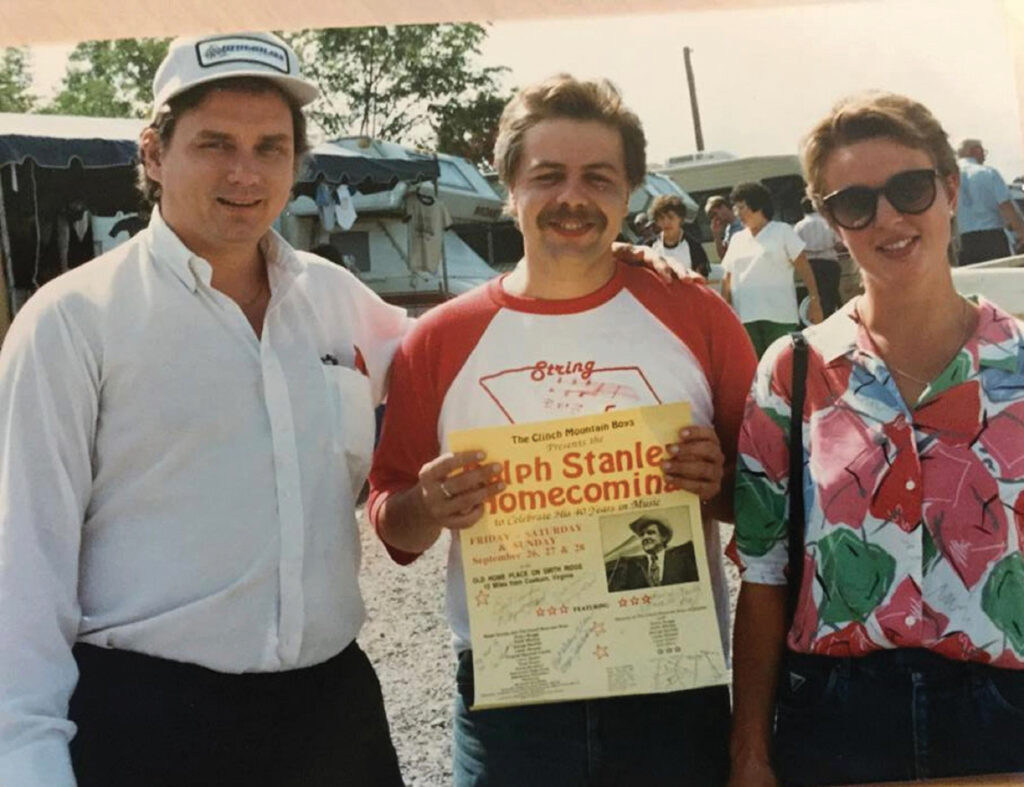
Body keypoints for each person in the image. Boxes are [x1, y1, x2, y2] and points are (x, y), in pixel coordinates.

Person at [0, 32, 410, 787]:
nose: (245, 173)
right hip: (152, 725)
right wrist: (28, 761)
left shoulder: (336, 302)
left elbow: (470, 362)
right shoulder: (71, 324)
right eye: (215, 143)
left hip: (333, 715)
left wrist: (610, 264)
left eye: (271, 147)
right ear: (154, 153)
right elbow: (23, 569)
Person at [369, 74, 758, 787]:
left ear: (631, 191)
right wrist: (427, 505)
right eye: (548, 175)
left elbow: (765, 504)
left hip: (670, 688)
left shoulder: (698, 316)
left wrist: (719, 485)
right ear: (509, 186)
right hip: (512, 700)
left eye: (598, 177)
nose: (572, 198)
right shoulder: (438, 340)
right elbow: (394, 525)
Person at [729, 91, 1024, 787]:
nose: (888, 217)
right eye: (856, 202)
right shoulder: (793, 372)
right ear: (831, 221)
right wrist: (749, 753)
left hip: (1004, 716)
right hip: (837, 721)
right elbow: (766, 576)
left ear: (951, 189)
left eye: (910, 188)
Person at [720, 181, 823, 357]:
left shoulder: (782, 231)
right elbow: (727, 279)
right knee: (755, 369)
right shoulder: (736, 239)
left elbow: (804, 268)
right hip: (745, 317)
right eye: (735, 209)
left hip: (779, 316)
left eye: (742, 208)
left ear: (758, 206)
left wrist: (815, 301)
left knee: (781, 365)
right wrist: (726, 312)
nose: (738, 214)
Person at [956, 137, 1024, 265]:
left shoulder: (948, 177)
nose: (985, 157)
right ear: (975, 151)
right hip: (992, 238)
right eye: (983, 152)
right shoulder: (988, 173)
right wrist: (1021, 233)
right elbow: (1006, 207)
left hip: (963, 242)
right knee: (999, 279)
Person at [605, 516, 699, 591]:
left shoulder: (683, 561)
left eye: (650, 532)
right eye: (642, 534)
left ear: (664, 537)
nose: (645, 537)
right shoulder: (630, 567)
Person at [794, 195, 843, 317]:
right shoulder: (827, 223)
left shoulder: (799, 226)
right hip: (830, 262)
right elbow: (839, 244)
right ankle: (832, 317)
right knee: (831, 294)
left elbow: (795, 249)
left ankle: (819, 319)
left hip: (810, 265)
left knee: (816, 295)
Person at [649, 193, 711, 277]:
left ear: (681, 219)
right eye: (661, 218)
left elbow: (702, 280)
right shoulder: (649, 246)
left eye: (670, 217)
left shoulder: (695, 248)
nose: (666, 222)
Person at [705, 194, 744, 260]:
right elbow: (723, 257)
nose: (715, 219)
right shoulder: (728, 230)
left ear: (723, 207)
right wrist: (716, 235)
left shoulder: (743, 221)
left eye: (715, 214)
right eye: (712, 217)